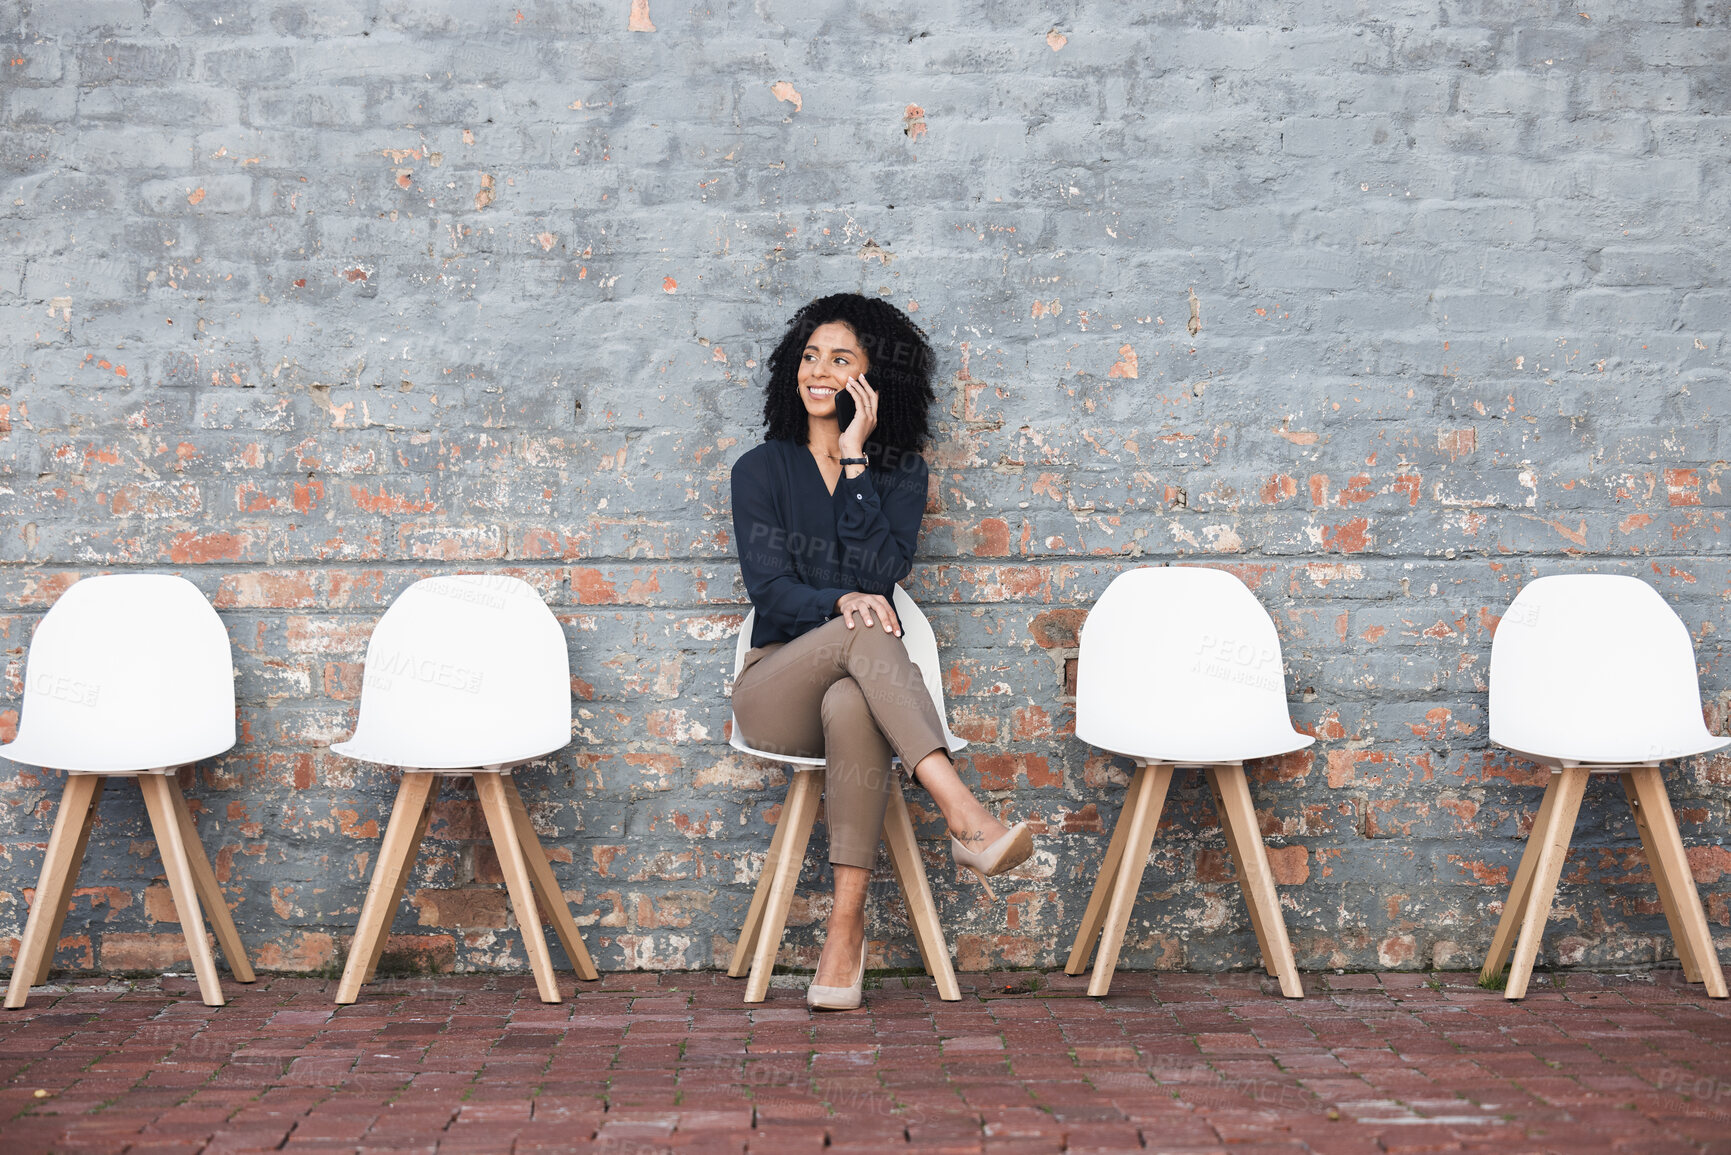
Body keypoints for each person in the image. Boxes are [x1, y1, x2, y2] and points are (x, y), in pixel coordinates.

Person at [729, 292, 1034, 1011]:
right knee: (866, 624)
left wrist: (857, 458)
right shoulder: (760, 469)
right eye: (809, 356)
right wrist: (836, 603)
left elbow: (879, 576)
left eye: (841, 359)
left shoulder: (899, 474)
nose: (818, 371)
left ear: (873, 381)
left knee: (852, 700)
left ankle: (843, 927)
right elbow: (771, 591)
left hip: (849, 696)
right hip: (774, 687)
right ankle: (962, 811)